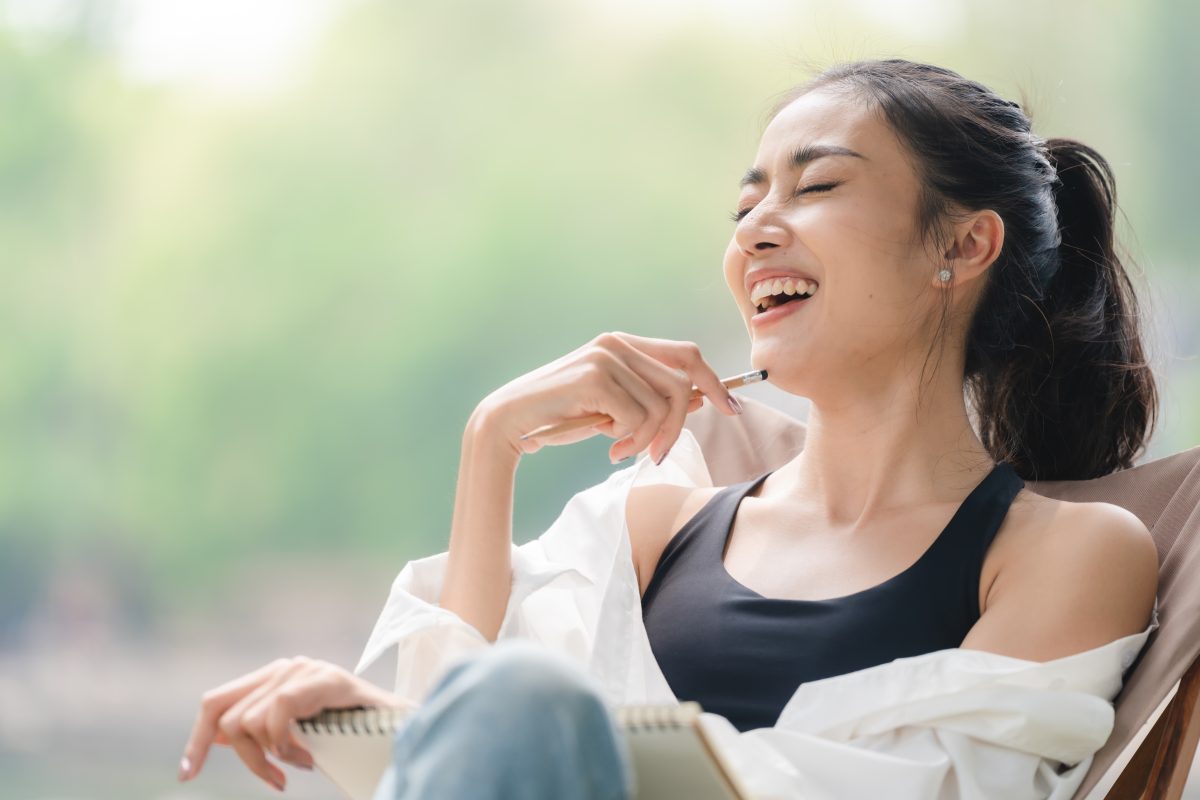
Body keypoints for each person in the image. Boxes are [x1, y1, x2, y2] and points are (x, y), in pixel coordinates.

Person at [178, 58, 1161, 798]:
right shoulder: (656, 526)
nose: (756, 230)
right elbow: (461, 754)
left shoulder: (1065, 552)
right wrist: (492, 447)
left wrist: (492, 723)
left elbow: (914, 785)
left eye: (815, 187)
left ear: (962, 242)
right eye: (748, 202)